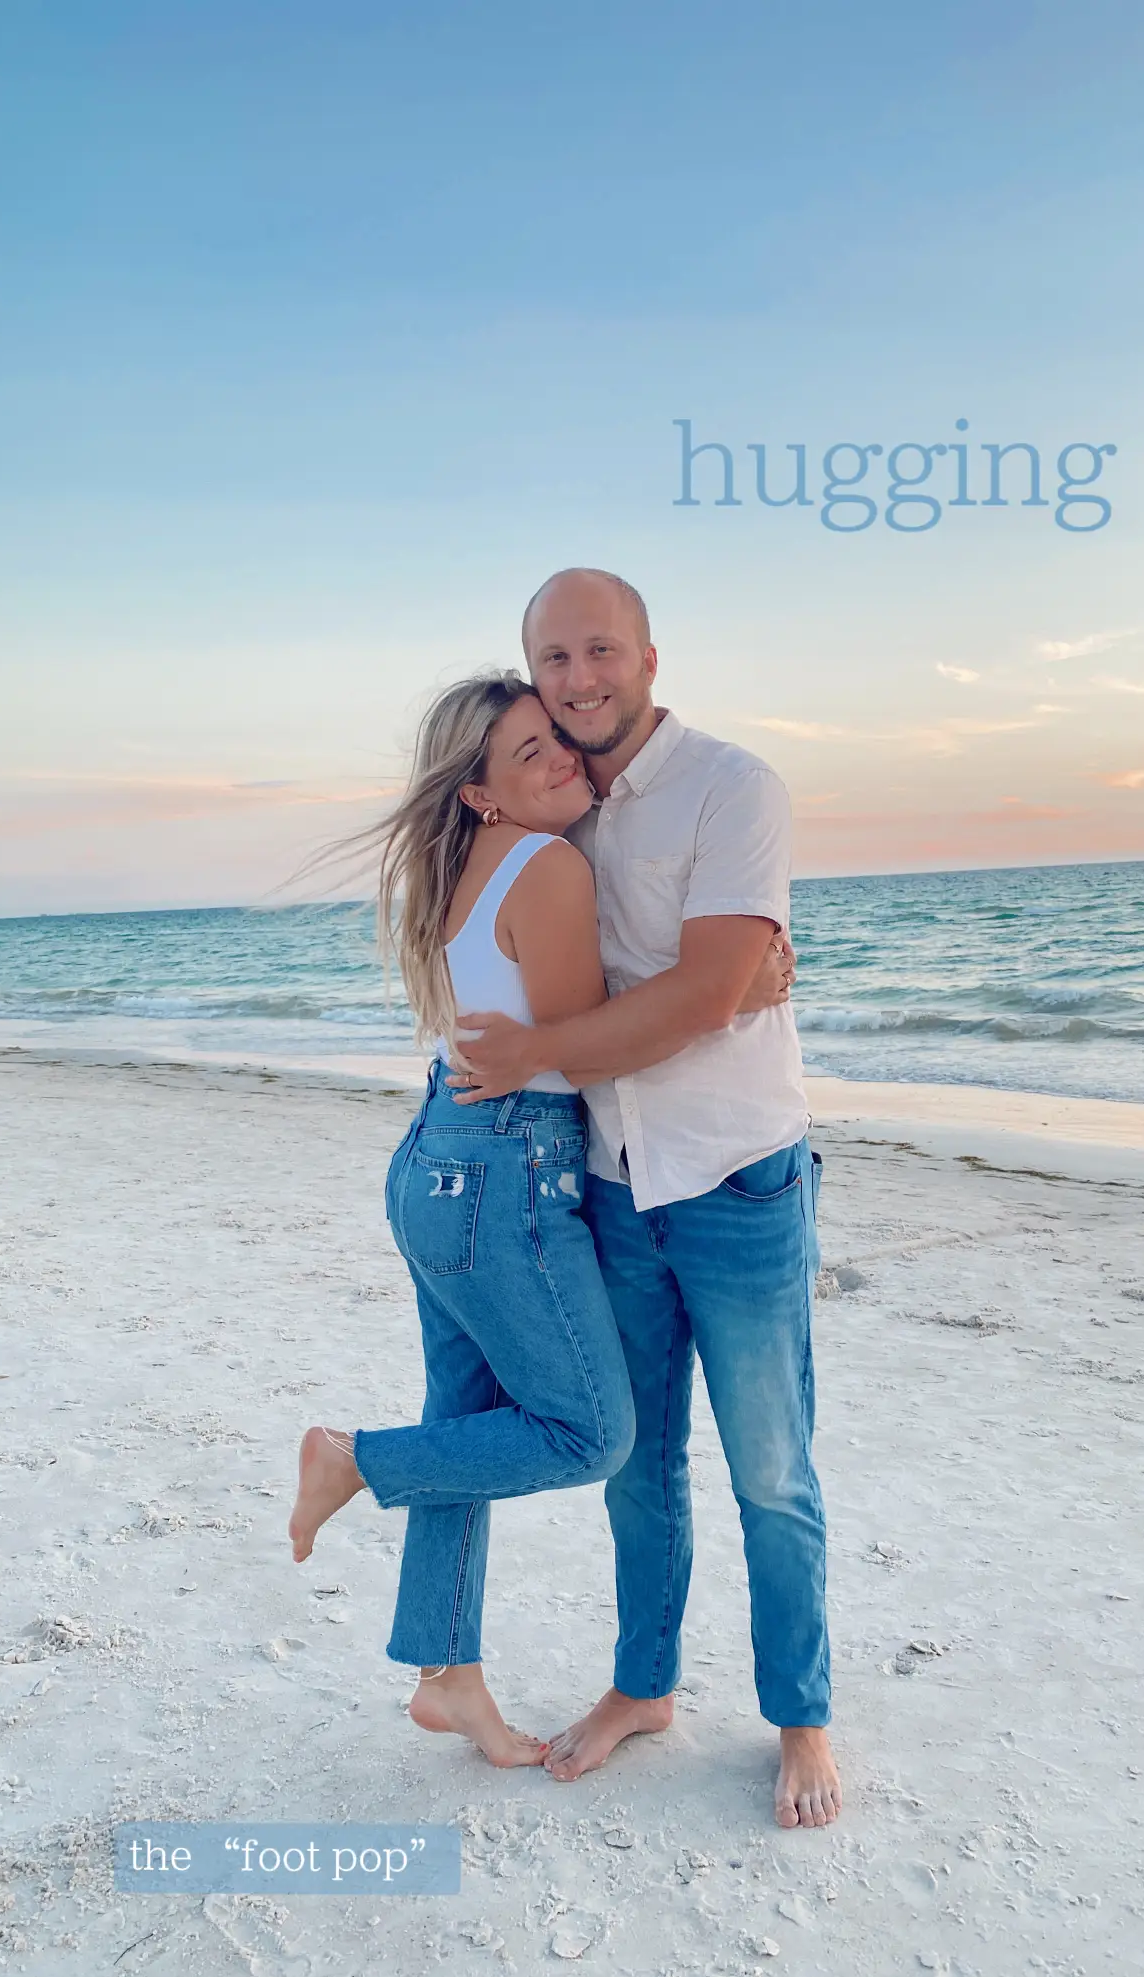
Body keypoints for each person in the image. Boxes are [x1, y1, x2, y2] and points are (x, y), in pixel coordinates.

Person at [287, 671, 785, 1769]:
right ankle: (354, 1461)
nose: (562, 761)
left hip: (439, 1165)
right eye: (528, 756)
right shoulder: (547, 865)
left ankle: (447, 1675)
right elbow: (581, 1038)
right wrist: (731, 990)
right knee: (590, 1432)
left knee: (464, 1422)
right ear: (479, 795)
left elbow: (551, 1026)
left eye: (556, 741)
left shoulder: (468, 866)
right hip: (508, 1175)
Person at [447, 568, 841, 1829]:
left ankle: (803, 1720)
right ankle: (645, 1689)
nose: (578, 680)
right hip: (610, 1189)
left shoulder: (734, 788)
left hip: (737, 1181)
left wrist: (709, 997)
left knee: (771, 1472)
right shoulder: (552, 811)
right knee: (639, 1468)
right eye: (553, 659)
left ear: (651, 657)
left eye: (599, 651)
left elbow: (704, 995)